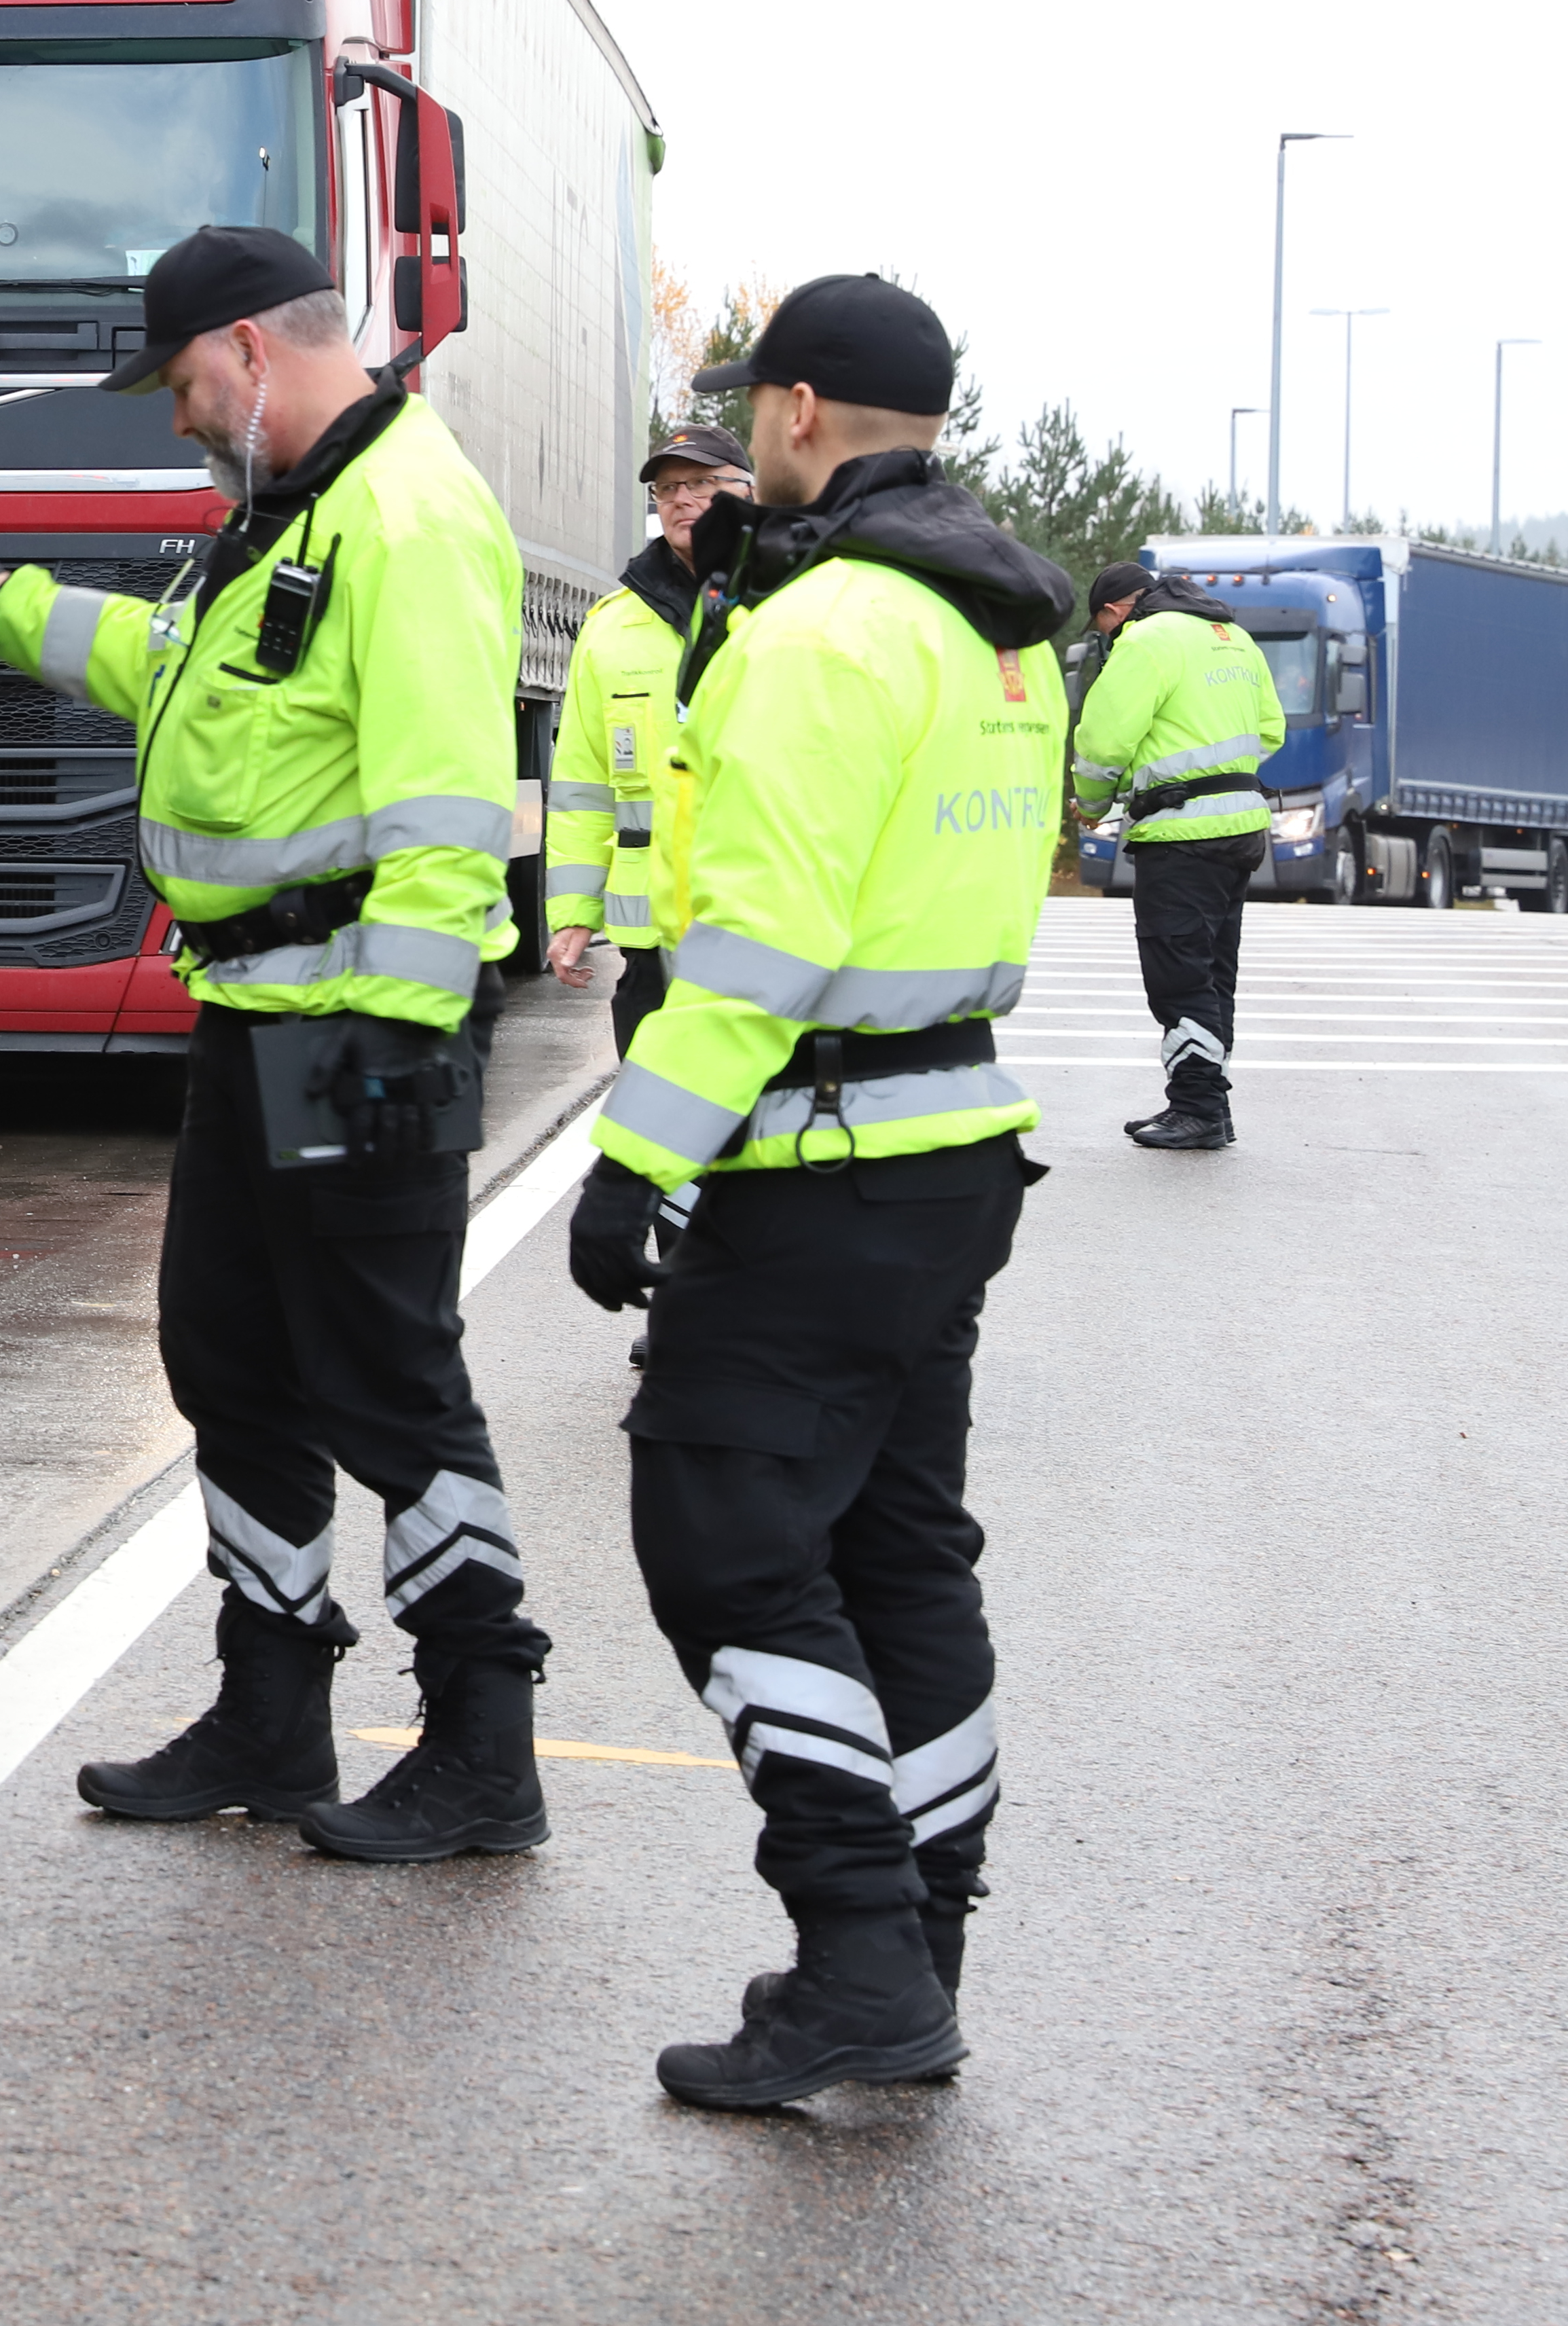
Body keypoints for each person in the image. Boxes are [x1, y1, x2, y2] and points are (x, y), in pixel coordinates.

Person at [0, 225, 553, 1866]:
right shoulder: (280, 521)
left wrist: (390, 1077)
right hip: (254, 1021)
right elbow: (177, 679)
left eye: (184, 382)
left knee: (389, 1385)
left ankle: (482, 1741)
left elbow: (444, 830)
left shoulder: (408, 518)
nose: (175, 417)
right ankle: (272, 1705)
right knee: (227, 1360)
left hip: (365, 1031)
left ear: (254, 351)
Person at [564, 272, 1076, 2109]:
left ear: (791, 415)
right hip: (948, 1153)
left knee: (716, 1529)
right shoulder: (1002, 626)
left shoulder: (827, 630)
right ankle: (921, 1941)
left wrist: (633, 1164)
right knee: (895, 1551)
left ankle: (859, 1953)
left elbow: (765, 950)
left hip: (827, 1159)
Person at [546, 425, 760, 1057]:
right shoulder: (611, 629)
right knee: (652, 1140)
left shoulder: (791, 601)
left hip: (766, 929)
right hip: (651, 949)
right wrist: (574, 914)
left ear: (747, 492)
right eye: (667, 488)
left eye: (700, 483)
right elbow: (583, 786)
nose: (680, 499)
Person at [1070, 561, 1286, 1151]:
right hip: (1241, 828)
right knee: (1214, 971)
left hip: (1182, 834)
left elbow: (1102, 742)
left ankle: (1198, 1108)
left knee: (1179, 973)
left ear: (1115, 612)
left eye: (1104, 629)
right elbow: (1270, 731)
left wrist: (1093, 803)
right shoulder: (1233, 636)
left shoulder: (1148, 639)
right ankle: (1208, 1098)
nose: (1109, 639)